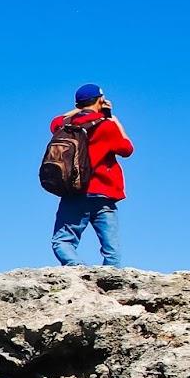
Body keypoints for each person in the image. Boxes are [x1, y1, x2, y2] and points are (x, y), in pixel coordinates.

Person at [50, 83, 135, 267]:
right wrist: (114, 119)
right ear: (101, 100)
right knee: (111, 248)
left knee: (62, 242)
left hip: (73, 191)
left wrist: (80, 108)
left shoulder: (64, 125)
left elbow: (55, 120)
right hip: (103, 192)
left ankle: (79, 272)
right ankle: (110, 285)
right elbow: (127, 149)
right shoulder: (107, 126)